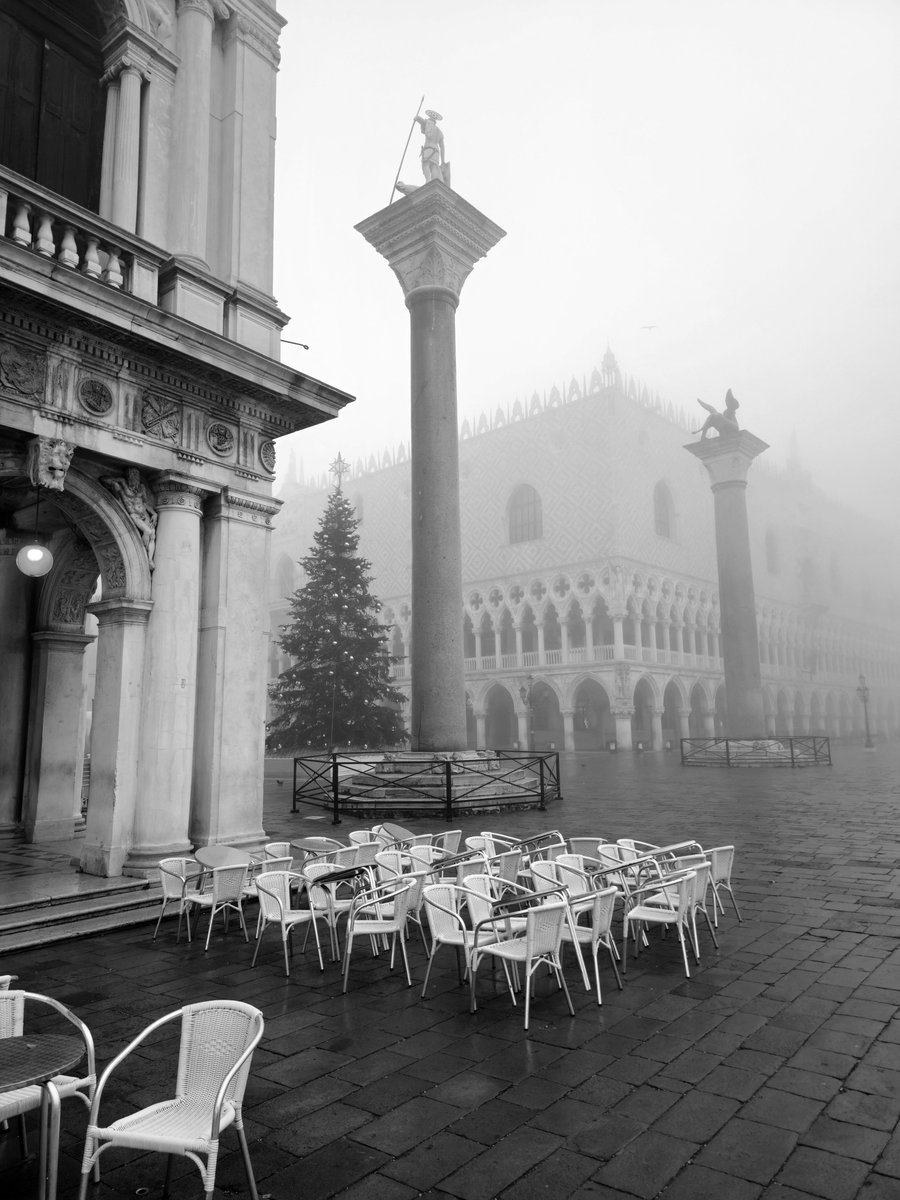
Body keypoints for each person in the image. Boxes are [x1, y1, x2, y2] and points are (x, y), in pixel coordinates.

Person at [415, 110, 445, 182]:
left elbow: (418, 118)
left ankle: (428, 181)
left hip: (428, 149)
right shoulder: (440, 132)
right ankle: (433, 182)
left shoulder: (428, 124)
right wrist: (443, 161)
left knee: (425, 165)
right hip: (436, 152)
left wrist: (416, 117)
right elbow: (442, 148)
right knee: (434, 167)